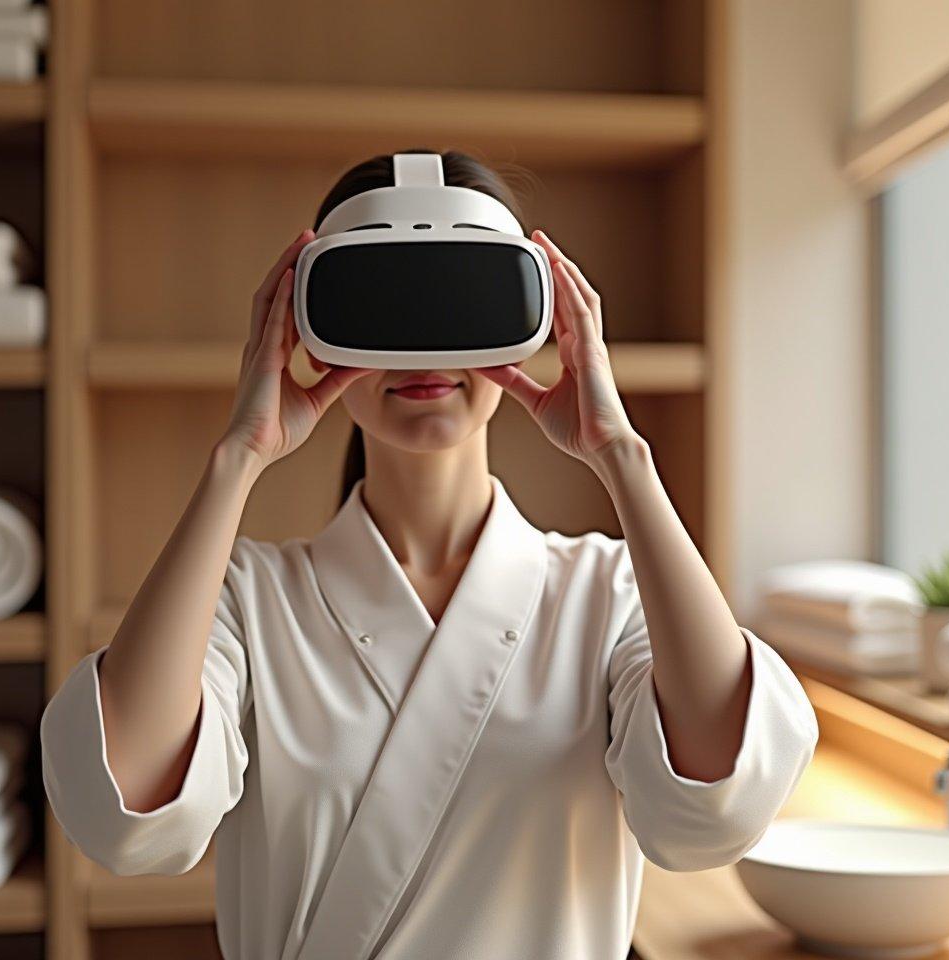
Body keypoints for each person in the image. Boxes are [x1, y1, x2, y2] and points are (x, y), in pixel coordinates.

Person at [40, 149, 818, 960]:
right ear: (305, 327)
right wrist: (240, 454)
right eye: (385, 309)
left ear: (543, 314)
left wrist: (620, 453)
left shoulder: (610, 591)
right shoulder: (247, 599)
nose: (424, 352)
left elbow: (716, 805)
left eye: (461, 305)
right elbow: (124, 813)